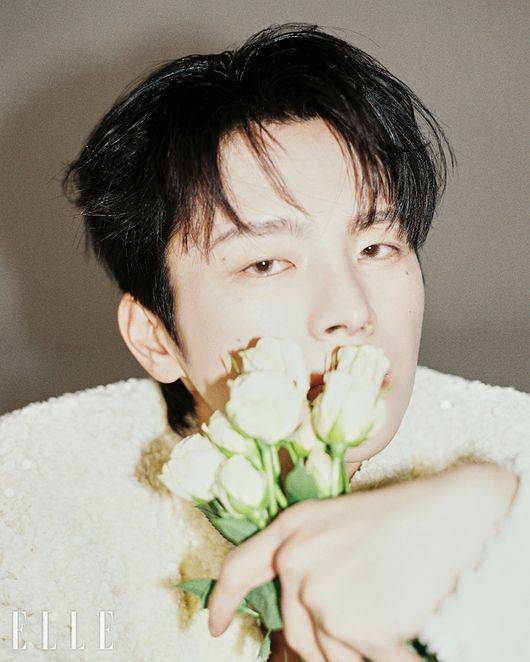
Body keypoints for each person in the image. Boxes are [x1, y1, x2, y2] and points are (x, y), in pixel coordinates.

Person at [1, 23, 528, 662]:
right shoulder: (29, 528)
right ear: (155, 338)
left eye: (376, 247)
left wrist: (499, 525)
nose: (352, 312)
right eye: (266, 263)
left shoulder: (505, 471)